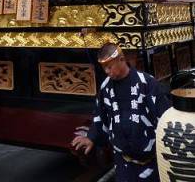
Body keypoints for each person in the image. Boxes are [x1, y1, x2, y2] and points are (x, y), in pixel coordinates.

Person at [72, 42, 171, 181]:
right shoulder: (106, 87)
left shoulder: (146, 83)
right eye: (104, 67)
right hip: (123, 161)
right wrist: (91, 137)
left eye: (109, 66)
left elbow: (165, 117)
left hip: (153, 160)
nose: (106, 71)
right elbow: (101, 115)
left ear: (121, 60)